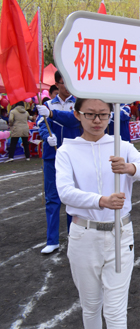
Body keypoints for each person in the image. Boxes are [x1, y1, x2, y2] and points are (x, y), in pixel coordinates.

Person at [55, 98, 140, 329]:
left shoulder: (120, 146)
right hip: (84, 235)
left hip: (120, 235)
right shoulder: (68, 150)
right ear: (78, 115)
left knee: (115, 309)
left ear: (111, 115)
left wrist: (130, 168)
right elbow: (64, 192)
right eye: (90, 114)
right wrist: (101, 200)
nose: (97, 120)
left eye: (103, 114)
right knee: (91, 304)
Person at [36, 70, 80, 254]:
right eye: (64, 82)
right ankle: (52, 240)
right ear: (57, 84)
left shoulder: (78, 103)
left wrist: (52, 114)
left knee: (73, 197)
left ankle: (73, 236)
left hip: (73, 155)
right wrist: (47, 137)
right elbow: (40, 124)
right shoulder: (46, 104)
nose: (68, 86)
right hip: (52, 156)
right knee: (52, 198)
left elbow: (74, 121)